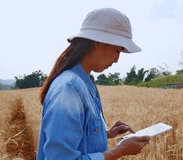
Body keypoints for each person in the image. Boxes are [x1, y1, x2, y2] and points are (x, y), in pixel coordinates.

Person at [37, 8, 150, 160]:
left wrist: (104, 134)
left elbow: (76, 140)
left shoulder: (81, 83)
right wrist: (119, 151)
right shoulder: (69, 89)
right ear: (98, 42)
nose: (117, 60)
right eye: (117, 50)